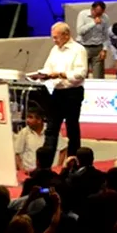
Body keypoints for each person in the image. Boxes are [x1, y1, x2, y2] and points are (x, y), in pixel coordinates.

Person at [37, 22, 87, 161]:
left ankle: (73, 160)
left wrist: (60, 74)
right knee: (51, 128)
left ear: (66, 35)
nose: (54, 40)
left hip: (73, 92)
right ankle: (46, 163)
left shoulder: (78, 49)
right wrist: (41, 74)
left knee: (72, 128)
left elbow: (80, 74)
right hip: (58, 92)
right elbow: (48, 68)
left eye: (56, 37)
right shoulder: (54, 50)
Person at [75, 1, 111, 79]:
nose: (98, 15)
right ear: (92, 9)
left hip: (98, 48)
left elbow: (106, 35)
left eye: (100, 13)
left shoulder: (105, 18)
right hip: (83, 47)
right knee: (82, 74)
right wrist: (93, 23)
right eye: (97, 13)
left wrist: (104, 49)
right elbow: (80, 31)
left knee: (99, 76)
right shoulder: (83, 14)